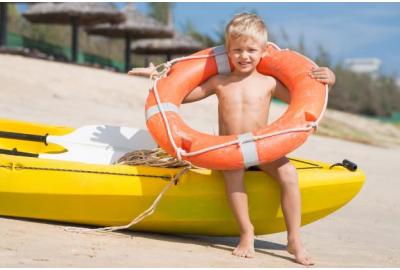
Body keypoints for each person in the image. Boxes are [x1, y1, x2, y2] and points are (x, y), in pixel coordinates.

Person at [128, 13, 335, 266]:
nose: (244, 56)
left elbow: (301, 96)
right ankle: (246, 233)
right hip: (228, 150)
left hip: (265, 149)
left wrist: (328, 79)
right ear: (228, 51)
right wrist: (160, 77)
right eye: (237, 50)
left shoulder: (269, 82)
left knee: (289, 174)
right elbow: (180, 96)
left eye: (251, 50)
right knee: (234, 177)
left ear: (262, 52)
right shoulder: (219, 82)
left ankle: (294, 239)